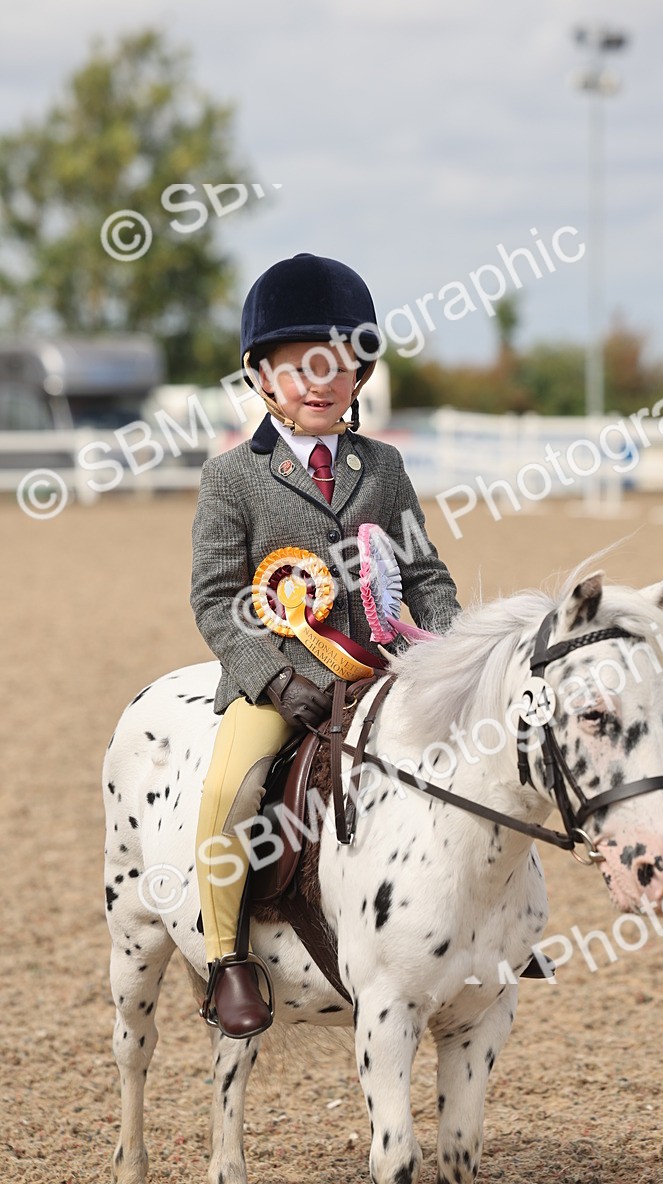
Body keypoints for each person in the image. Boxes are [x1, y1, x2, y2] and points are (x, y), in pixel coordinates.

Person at [190, 253, 461, 1038]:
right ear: (262, 378)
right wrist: (273, 684)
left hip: (383, 673)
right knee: (228, 794)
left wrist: (447, 649)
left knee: (472, 765)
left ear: (359, 374)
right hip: (284, 681)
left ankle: (479, 928)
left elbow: (425, 571)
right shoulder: (231, 479)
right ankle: (226, 955)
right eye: (300, 366)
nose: (320, 382)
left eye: (337, 364)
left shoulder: (384, 467)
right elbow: (216, 600)